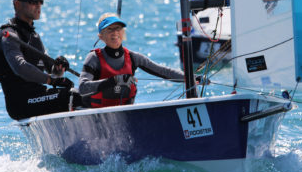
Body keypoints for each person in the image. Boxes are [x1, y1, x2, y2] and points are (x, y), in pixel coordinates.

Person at [0, 0, 82, 120]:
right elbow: (20, 67)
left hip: (39, 96)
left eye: (41, 2)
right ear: (17, 4)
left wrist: (57, 68)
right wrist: (51, 81)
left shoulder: (34, 36)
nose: (38, 6)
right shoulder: (9, 36)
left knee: (87, 94)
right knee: (74, 96)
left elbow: (52, 70)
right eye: (33, 2)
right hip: (21, 103)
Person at [79, 13, 207, 108]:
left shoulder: (134, 57)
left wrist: (193, 78)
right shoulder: (94, 58)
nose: (114, 33)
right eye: (109, 29)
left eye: (117, 28)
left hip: (126, 112)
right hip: (98, 114)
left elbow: (164, 72)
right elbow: (82, 88)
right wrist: (113, 81)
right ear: (101, 36)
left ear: (123, 32)